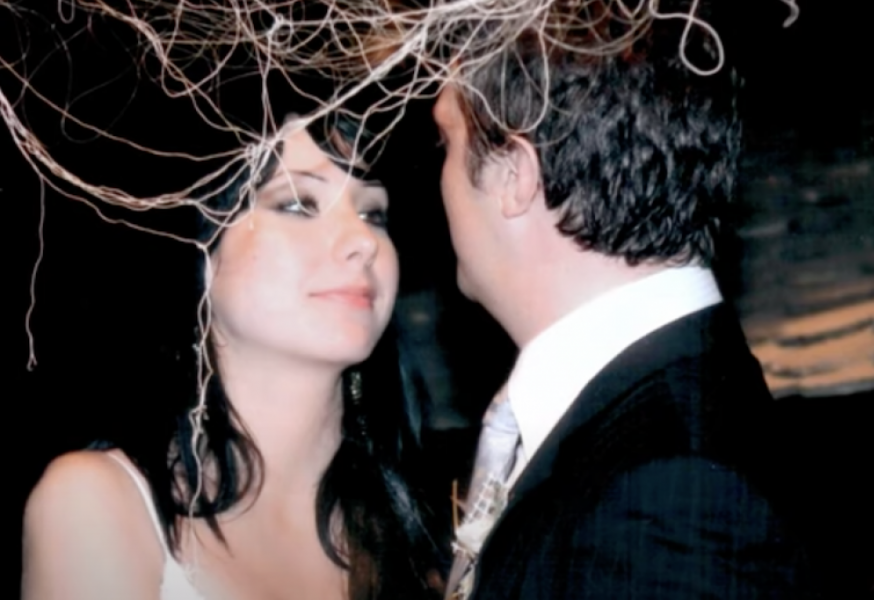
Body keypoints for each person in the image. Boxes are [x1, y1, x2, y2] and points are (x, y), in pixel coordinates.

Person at [432, 3, 821, 599]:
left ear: (514, 175)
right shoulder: (668, 418)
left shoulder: (665, 498)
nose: (439, 178)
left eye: (446, 142)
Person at [20, 110, 444, 600]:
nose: (363, 241)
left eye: (373, 214)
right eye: (298, 204)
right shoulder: (99, 505)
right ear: (201, 251)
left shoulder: (416, 538)